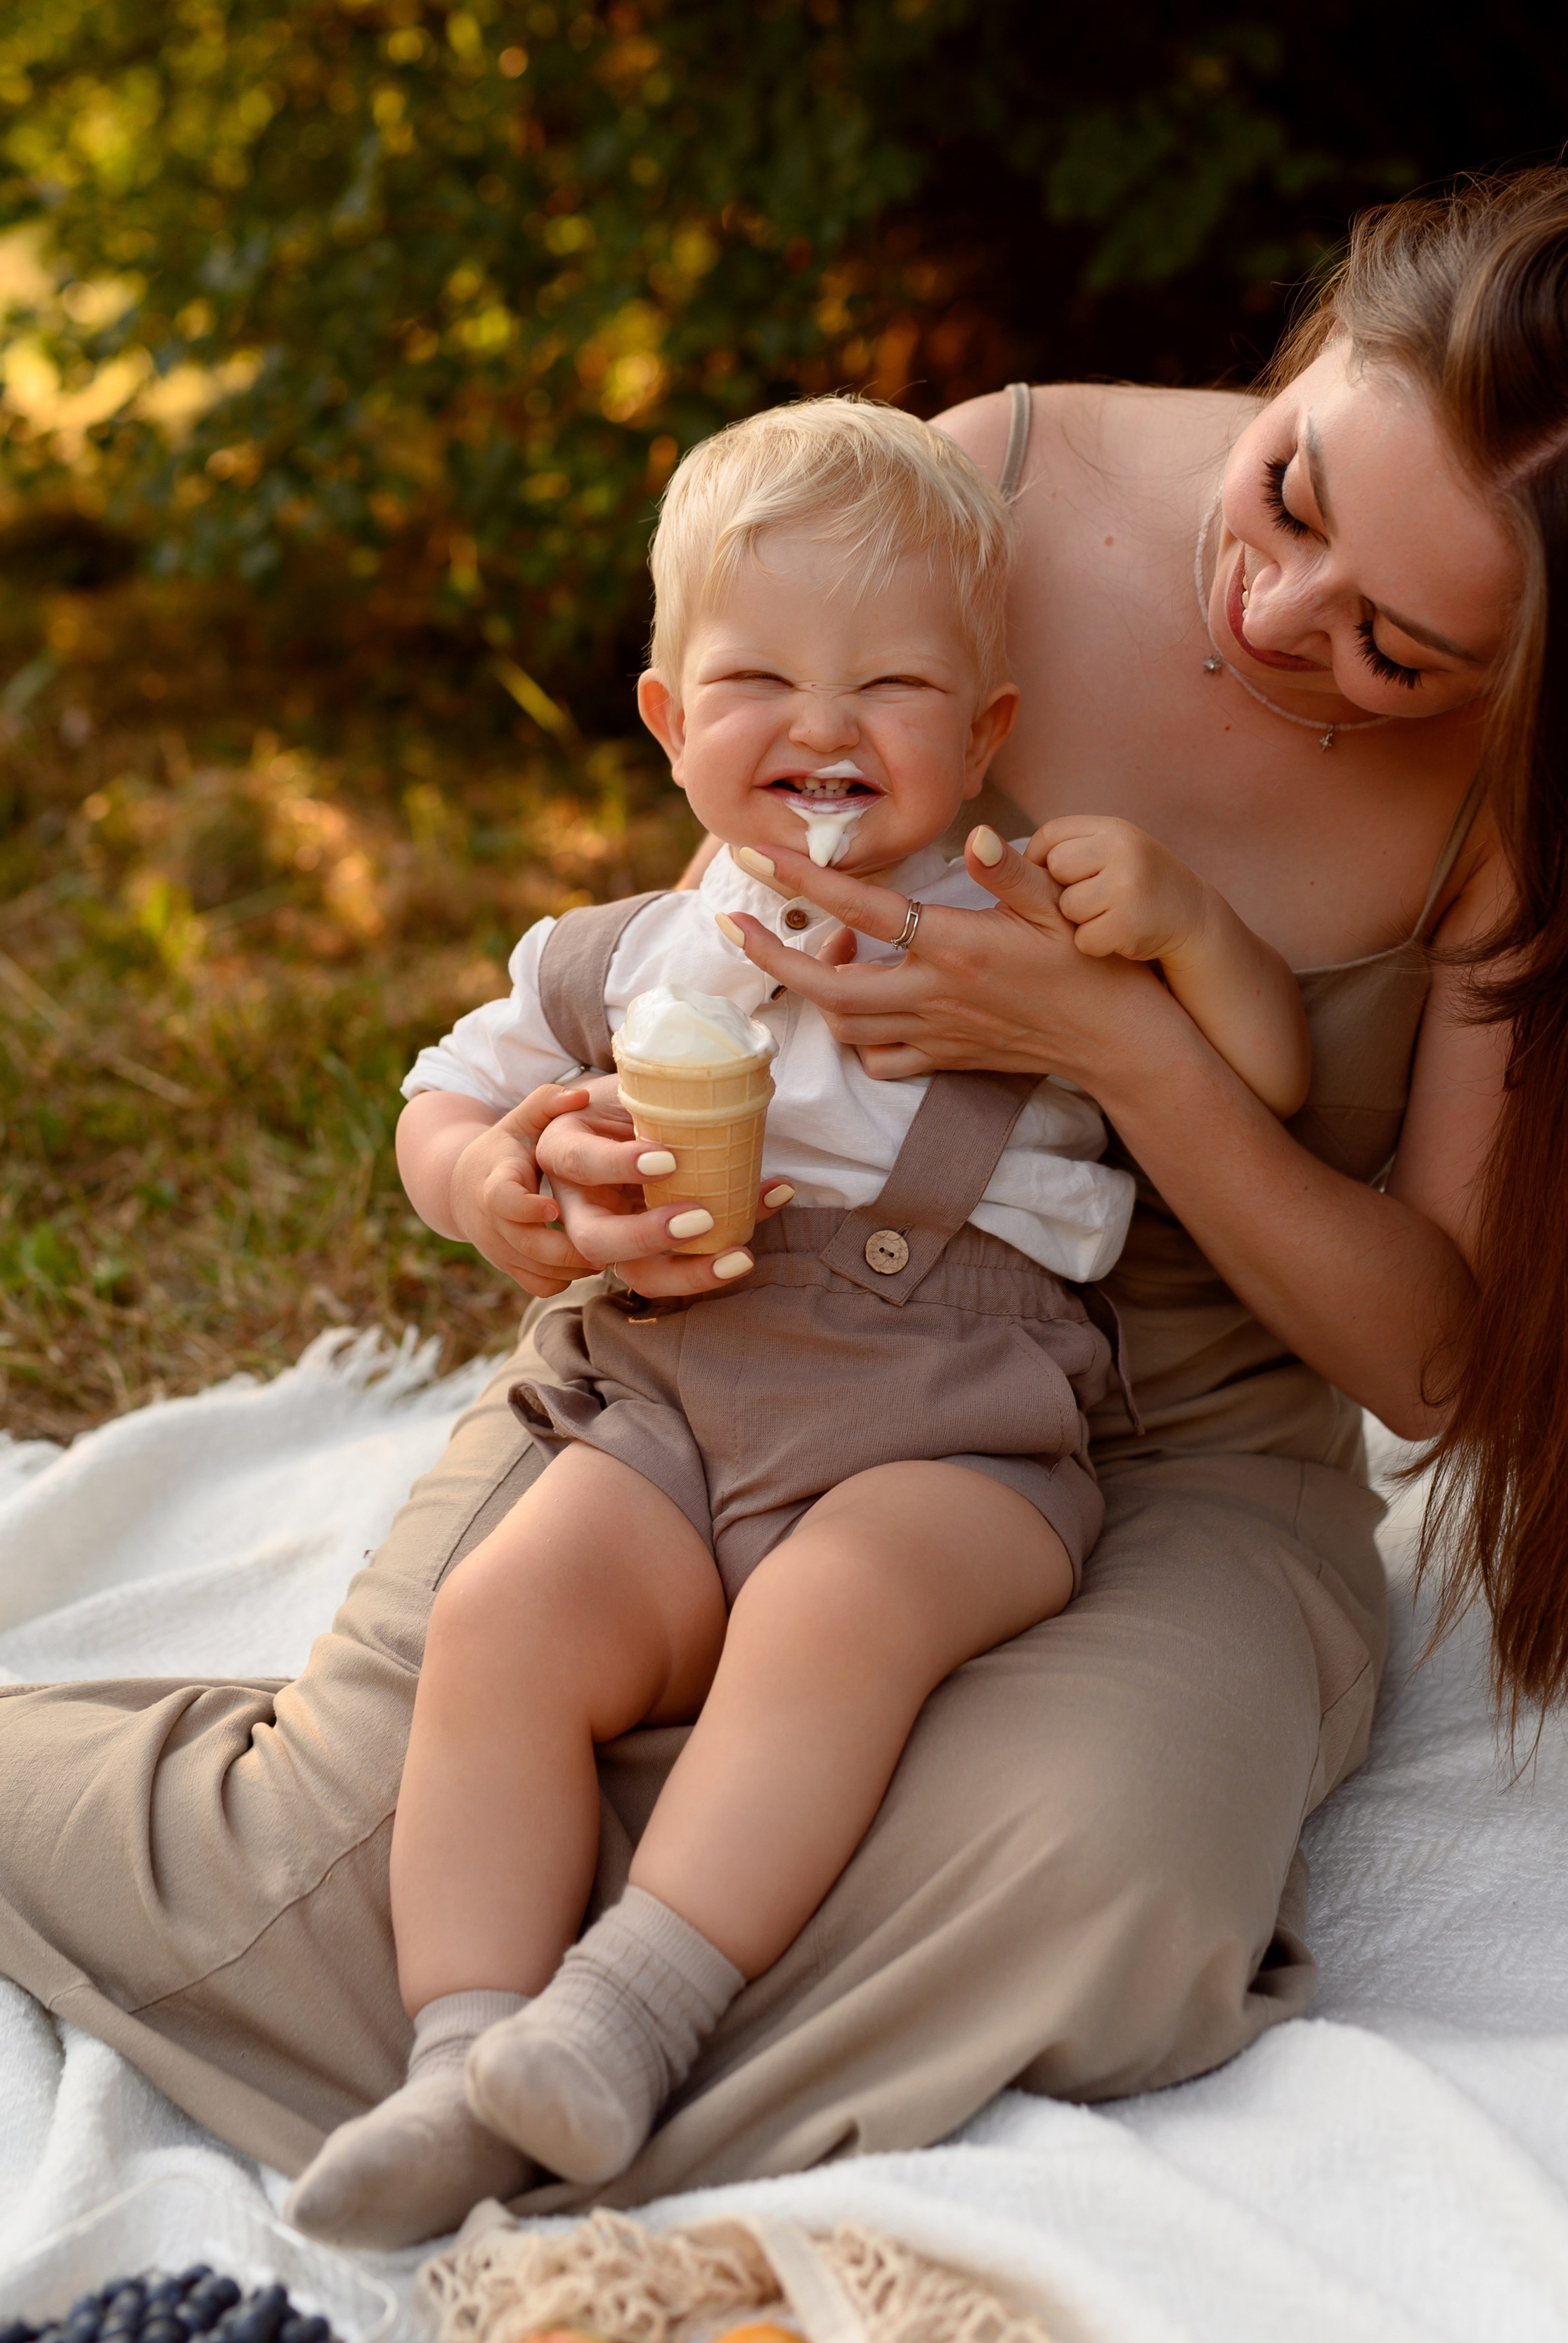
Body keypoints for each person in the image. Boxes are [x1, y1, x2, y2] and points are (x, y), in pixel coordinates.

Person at [2, 159, 1568, 2215]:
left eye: (1399, 648)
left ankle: (602, 2030)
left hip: (1169, 1449)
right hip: (741, 1338)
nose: (1278, 618)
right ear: (1313, 358)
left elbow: (1434, 1363)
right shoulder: (985, 485)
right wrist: (544, 1177)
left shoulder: (1539, 811)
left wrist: (1122, 1044)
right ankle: (516, 2034)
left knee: (1102, 1877)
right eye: (1294, 495)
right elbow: (713, 954)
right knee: (323, 1843)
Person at [284, 396, 1311, 2245]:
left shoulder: (1030, 921)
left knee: (836, 1613)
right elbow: (442, 1104)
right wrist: (498, 1186)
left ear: (984, 733)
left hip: (959, 1433)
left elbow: (1269, 1083)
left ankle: (626, 2016)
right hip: (678, 1409)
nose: (826, 727)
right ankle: (463, 2059)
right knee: (509, 1618)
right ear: (672, 722)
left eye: (896, 688)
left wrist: (1196, 942)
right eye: (760, 677)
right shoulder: (616, 954)